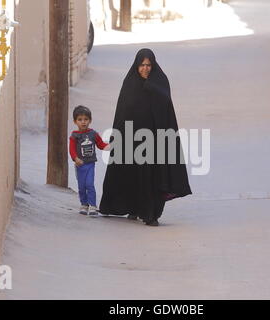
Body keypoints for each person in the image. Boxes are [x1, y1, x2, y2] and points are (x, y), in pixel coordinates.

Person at [99, 48, 192, 226]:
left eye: (149, 65)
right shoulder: (130, 84)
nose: (145, 69)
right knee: (131, 175)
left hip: (155, 142)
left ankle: (151, 214)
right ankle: (133, 208)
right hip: (133, 140)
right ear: (136, 66)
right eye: (142, 65)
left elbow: (166, 113)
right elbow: (121, 112)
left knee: (152, 177)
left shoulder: (160, 83)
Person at [69, 106, 110, 216]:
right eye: (80, 119)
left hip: (90, 164)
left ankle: (92, 205)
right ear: (75, 121)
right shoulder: (74, 136)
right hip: (79, 165)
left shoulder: (93, 134)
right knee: (81, 186)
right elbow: (71, 149)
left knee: (89, 184)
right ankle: (84, 204)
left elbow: (101, 145)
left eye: (86, 119)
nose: (83, 122)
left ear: (90, 120)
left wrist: (110, 146)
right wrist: (75, 158)